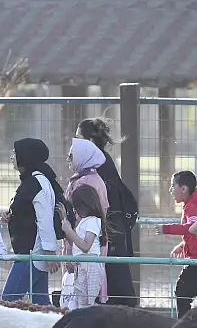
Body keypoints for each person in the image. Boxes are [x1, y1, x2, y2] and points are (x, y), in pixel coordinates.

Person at [77, 117, 140, 306]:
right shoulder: (100, 161)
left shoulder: (99, 164)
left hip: (110, 229)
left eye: (78, 137)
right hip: (111, 228)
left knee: (116, 281)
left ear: (90, 141)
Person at [1, 138, 62, 303]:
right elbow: (28, 212)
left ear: (25, 156)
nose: (11, 157)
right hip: (33, 253)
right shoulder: (31, 181)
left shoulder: (37, 182)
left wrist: (50, 253)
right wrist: (11, 216)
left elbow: (45, 219)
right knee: (41, 304)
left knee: (9, 299)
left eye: (15, 153)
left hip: (32, 253)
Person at [158, 170, 197, 315]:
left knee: (182, 294)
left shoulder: (191, 206)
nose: (171, 190)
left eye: (172, 186)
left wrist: (166, 229)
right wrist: (183, 246)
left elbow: (192, 228)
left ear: (183, 189)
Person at [62, 138, 110, 303]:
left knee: (85, 301)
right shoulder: (83, 178)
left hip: (85, 252)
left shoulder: (86, 182)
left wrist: (68, 231)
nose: (68, 159)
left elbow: (84, 241)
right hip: (80, 247)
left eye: (71, 156)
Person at [59, 185, 108, 310]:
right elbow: (76, 243)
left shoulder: (93, 221)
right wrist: (65, 221)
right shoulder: (84, 221)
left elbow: (86, 246)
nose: (75, 210)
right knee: (80, 303)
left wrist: (69, 230)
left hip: (90, 266)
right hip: (81, 265)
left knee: (86, 305)